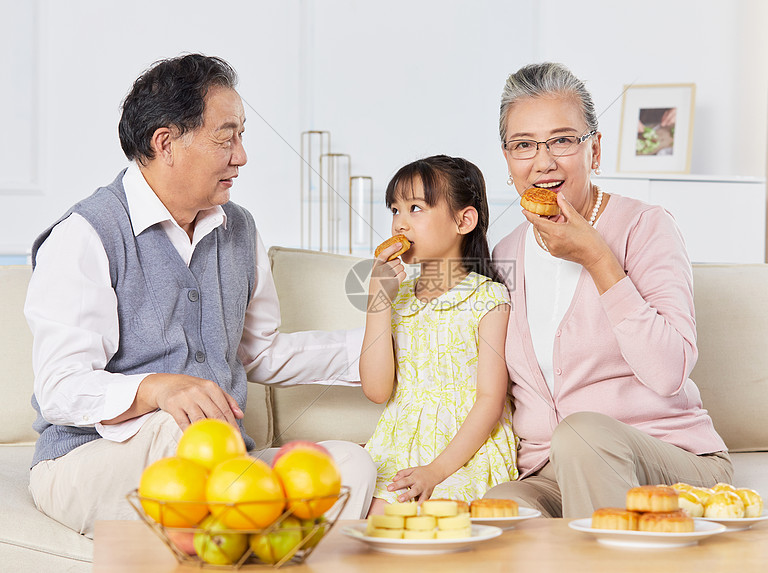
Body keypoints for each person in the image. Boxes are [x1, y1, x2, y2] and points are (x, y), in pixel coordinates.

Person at [24, 53, 375, 537]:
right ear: (166, 142)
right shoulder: (87, 234)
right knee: (181, 434)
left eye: (242, 135)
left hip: (217, 460)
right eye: (225, 137)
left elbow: (261, 352)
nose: (242, 155)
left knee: (348, 467)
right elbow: (60, 388)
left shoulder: (239, 228)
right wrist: (155, 389)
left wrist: (386, 347)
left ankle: (256, 543)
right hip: (88, 460)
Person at [483, 62, 733, 518]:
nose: (543, 162)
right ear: (507, 159)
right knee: (500, 508)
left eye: (562, 140)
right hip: (551, 469)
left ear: (594, 150)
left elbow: (668, 371)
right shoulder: (504, 253)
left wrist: (599, 260)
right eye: (524, 145)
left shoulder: (645, 227)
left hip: (664, 459)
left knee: (582, 435)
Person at [359, 155, 518, 515]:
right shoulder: (397, 297)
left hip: (463, 452)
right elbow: (377, 390)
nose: (399, 223)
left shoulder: (487, 298)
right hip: (399, 444)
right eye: (395, 210)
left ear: (464, 221)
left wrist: (436, 471)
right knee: (366, 512)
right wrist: (377, 302)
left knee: (437, 515)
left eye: (415, 208)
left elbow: (491, 400)